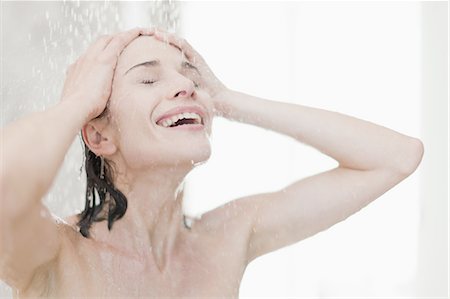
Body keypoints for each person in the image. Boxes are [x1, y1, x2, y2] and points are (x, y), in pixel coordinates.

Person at [0, 27, 424, 297]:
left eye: (192, 78)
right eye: (149, 78)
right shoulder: (55, 253)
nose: (185, 85)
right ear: (99, 135)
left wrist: (228, 100)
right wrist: (77, 103)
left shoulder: (225, 238)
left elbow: (396, 158)